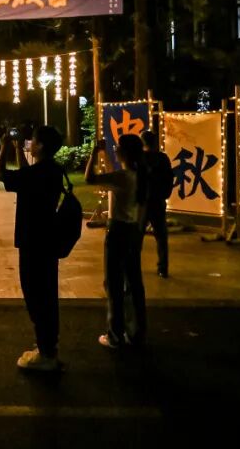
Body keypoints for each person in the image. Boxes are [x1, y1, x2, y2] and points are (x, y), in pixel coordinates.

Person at [0, 125, 65, 372]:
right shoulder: (53, 170)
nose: (29, 144)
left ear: (41, 145)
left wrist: (3, 147)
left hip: (32, 241)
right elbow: (27, 174)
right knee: (47, 295)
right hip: (48, 240)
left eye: (32, 141)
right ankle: (49, 348)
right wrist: (17, 151)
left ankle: (45, 355)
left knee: (35, 296)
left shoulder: (36, 174)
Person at [85, 133, 147, 348]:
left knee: (113, 282)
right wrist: (103, 153)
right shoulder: (139, 175)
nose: (115, 149)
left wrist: (94, 153)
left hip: (118, 231)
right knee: (133, 282)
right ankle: (136, 332)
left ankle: (115, 334)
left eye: (118, 147)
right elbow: (113, 172)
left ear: (125, 152)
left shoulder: (122, 177)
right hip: (133, 230)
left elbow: (90, 178)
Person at [140, 130, 173, 278]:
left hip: (143, 202)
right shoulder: (162, 158)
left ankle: (134, 264)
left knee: (137, 236)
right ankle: (163, 267)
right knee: (161, 236)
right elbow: (169, 178)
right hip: (158, 201)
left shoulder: (140, 159)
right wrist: (165, 194)